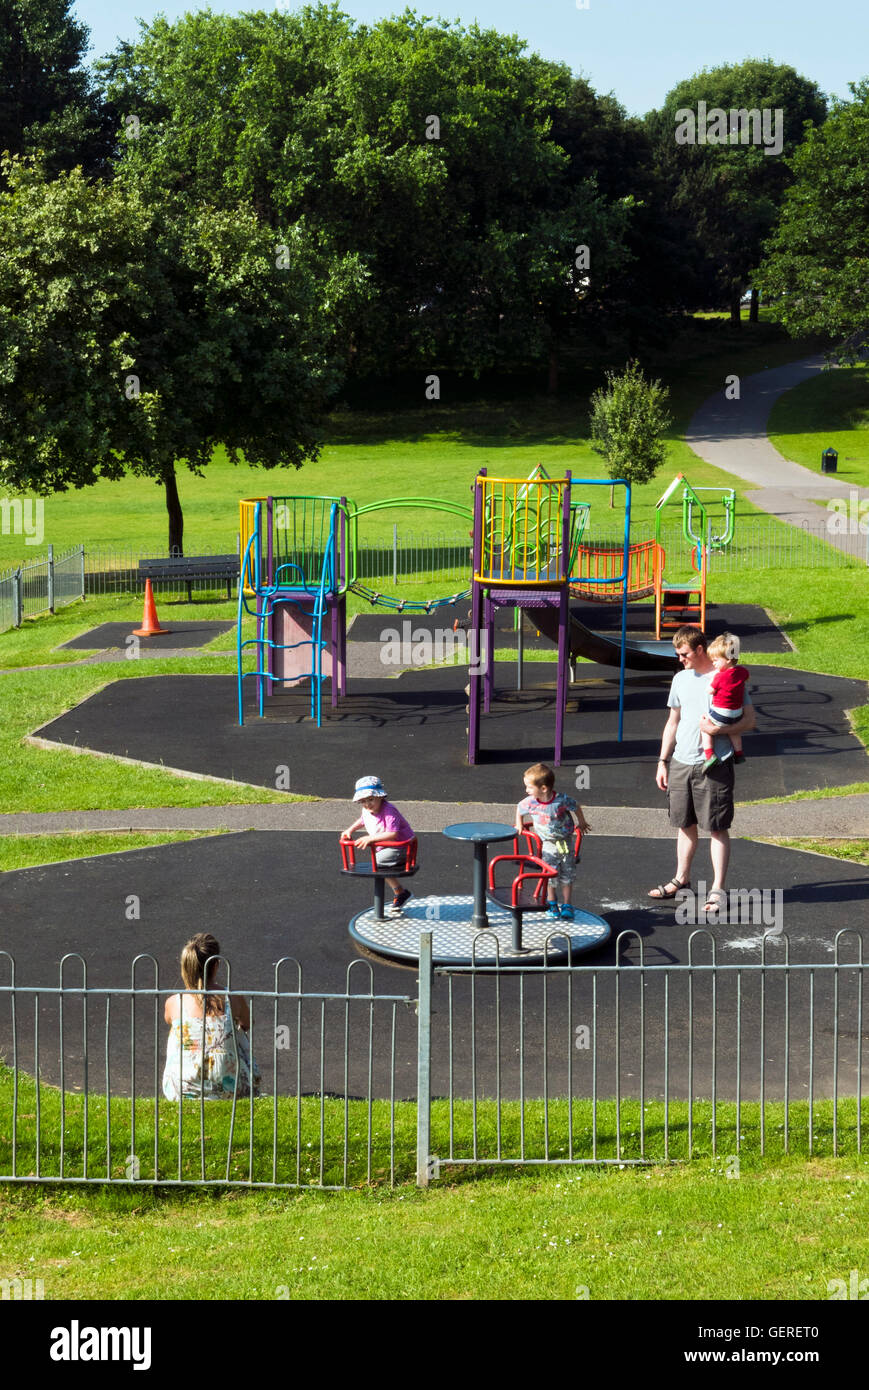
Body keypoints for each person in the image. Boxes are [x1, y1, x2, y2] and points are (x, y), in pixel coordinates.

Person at [648, 626, 755, 916]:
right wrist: (663, 761)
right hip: (682, 762)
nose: (680, 659)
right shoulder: (680, 679)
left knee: (717, 827)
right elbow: (673, 722)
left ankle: (717, 891)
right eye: (677, 654)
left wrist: (721, 729)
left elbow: (750, 720)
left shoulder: (727, 676)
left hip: (715, 763)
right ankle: (682, 879)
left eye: (683, 654)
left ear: (699, 650)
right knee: (684, 824)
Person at [162, 933, 260, 1101]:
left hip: (182, 1089)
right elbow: (248, 1023)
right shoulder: (233, 998)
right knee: (238, 1031)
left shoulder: (174, 1002)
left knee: (178, 1031)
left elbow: (168, 1020)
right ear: (216, 965)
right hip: (230, 1088)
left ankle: (187, 1079)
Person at [515, 762, 591, 921]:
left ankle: (567, 904)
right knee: (550, 875)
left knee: (567, 874)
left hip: (565, 841)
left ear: (543, 788)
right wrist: (519, 824)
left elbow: (576, 806)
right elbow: (519, 808)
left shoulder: (560, 801)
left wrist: (581, 822)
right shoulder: (530, 802)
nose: (526, 790)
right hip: (548, 845)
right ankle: (552, 903)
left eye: (529, 787)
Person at [343, 775, 415, 915]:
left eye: (371, 799)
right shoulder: (367, 810)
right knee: (378, 863)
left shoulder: (389, 811)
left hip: (403, 847)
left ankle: (400, 892)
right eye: (363, 801)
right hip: (388, 847)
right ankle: (400, 892)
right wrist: (350, 829)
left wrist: (371, 839)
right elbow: (363, 820)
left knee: (378, 862)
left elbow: (392, 834)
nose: (367, 804)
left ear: (380, 797)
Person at [702, 632, 749, 770]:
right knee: (733, 732)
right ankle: (739, 753)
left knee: (705, 727)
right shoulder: (742, 671)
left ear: (728, 659)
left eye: (716, 660)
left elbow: (710, 691)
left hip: (721, 713)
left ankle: (710, 755)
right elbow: (746, 677)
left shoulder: (720, 676)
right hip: (737, 714)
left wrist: (711, 680)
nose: (713, 663)